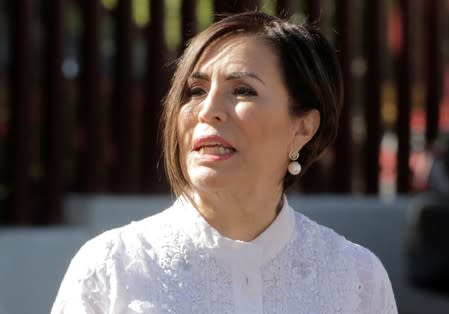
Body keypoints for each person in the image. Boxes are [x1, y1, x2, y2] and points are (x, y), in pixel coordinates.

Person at [52, 11, 397, 313]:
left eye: (243, 90)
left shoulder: (356, 278)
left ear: (303, 126)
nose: (207, 111)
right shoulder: (112, 268)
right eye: (195, 91)